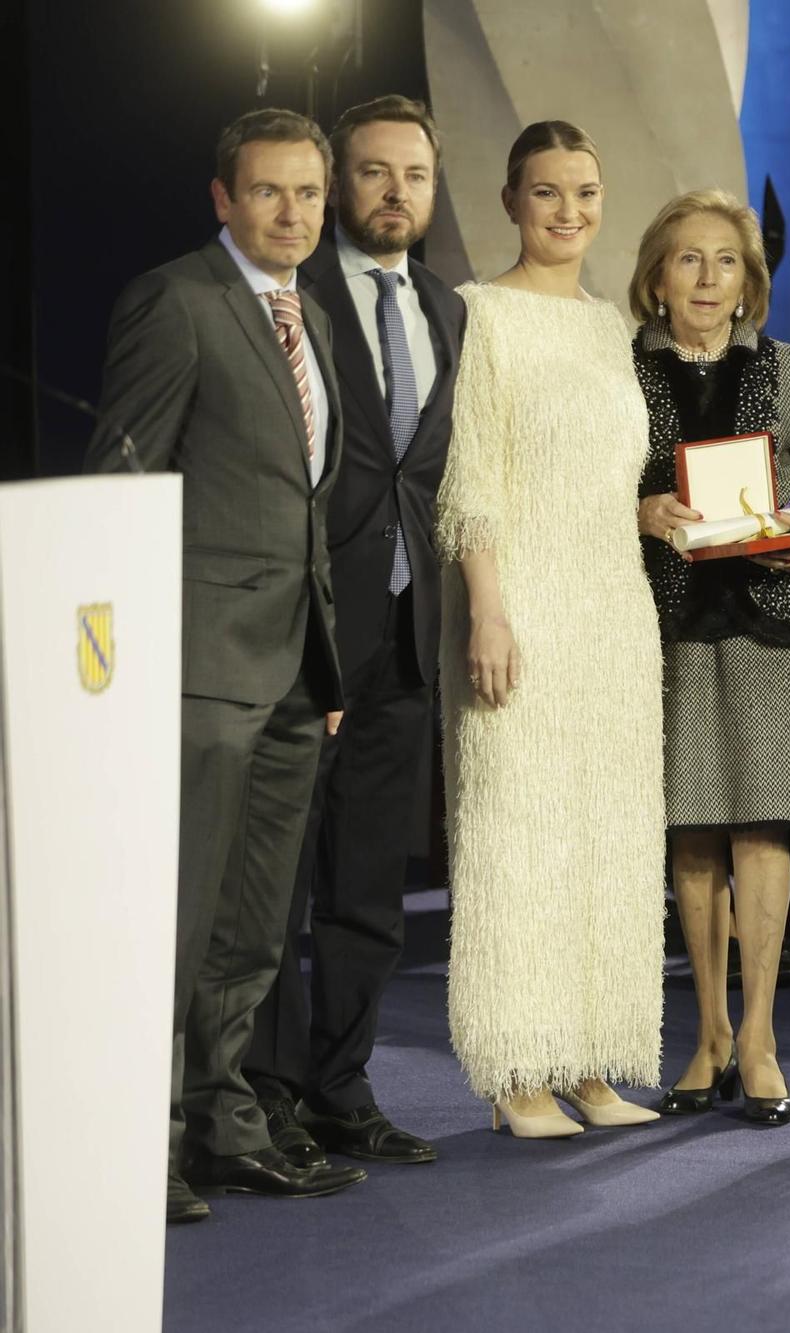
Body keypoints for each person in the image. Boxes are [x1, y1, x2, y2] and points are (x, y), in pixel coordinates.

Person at [87, 108, 367, 1222]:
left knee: (254, 927)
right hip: (196, 670)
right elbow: (122, 480)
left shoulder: (317, 320)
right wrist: (125, 660)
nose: (292, 213)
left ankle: (224, 1126)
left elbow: (306, 505)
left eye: (308, 192)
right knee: (180, 918)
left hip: (298, 670)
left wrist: (327, 664)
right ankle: (140, 1145)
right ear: (222, 198)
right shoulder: (176, 302)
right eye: (268, 193)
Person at [242, 95, 462, 1172]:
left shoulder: (444, 309)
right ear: (340, 185)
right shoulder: (293, 295)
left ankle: (342, 1086)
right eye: (372, 174)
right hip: (303, 634)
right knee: (280, 886)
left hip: (409, 634)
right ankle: (266, 1096)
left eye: (413, 175)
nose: (394, 193)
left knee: (370, 887)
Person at [436, 121, 666, 1138]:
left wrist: (650, 515)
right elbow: (471, 481)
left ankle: (587, 1061)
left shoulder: (610, 326)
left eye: (584, 192)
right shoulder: (479, 315)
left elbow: (601, 478)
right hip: (520, 608)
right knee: (516, 835)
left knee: (605, 838)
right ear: (509, 202)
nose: (567, 212)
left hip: (614, 610)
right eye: (546, 193)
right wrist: (488, 610)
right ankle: (513, 1071)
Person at [630, 189, 790, 1127]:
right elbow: (589, 492)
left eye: (725, 262)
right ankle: (709, 1034)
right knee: (692, 831)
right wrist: (639, 512)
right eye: (688, 259)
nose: (707, 278)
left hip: (773, 628)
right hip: (667, 627)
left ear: (749, 282)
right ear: (656, 276)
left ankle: (762, 1035)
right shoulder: (624, 373)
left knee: (762, 827)